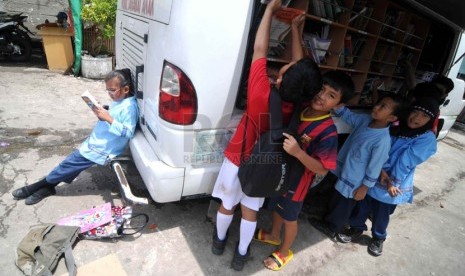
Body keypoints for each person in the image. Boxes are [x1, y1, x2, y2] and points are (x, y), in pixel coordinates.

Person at [210, 0, 322, 271]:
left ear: (282, 78)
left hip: (238, 157)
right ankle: (241, 253)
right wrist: (295, 30)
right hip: (267, 167)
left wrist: (270, 11)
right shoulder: (299, 105)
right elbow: (298, 67)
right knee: (250, 212)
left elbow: (259, 49)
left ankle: (219, 241)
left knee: (227, 205)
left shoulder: (261, 90)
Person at [253, 70, 354, 271]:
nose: (322, 96)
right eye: (322, 88)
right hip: (280, 175)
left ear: (339, 105)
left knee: (290, 217)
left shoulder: (327, 132)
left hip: (296, 184)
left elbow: (323, 169)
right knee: (276, 206)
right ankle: (274, 235)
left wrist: (298, 152)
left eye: (331, 95)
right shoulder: (303, 108)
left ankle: (285, 251)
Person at [12, 69, 139, 205]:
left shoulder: (129, 108)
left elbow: (128, 132)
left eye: (112, 90)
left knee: (67, 165)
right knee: (72, 166)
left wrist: (108, 118)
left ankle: (36, 186)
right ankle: (48, 188)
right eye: (107, 90)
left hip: (102, 149)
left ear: (125, 89)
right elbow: (115, 117)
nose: (110, 94)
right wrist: (103, 111)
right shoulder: (121, 101)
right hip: (96, 142)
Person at [340, 97, 439, 256]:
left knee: (382, 211)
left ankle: (378, 237)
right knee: (362, 204)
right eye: (415, 111)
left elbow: (405, 162)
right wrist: (379, 171)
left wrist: (392, 183)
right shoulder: (395, 126)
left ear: (431, 120)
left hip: (393, 181)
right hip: (375, 174)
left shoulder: (426, 138)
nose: (417, 118)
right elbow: (377, 151)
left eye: (424, 116)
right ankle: (356, 228)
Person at [310, 94, 405, 242]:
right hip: (345, 170)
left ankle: (332, 227)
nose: (376, 107)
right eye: (378, 103)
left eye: (383, 107)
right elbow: (350, 117)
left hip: (355, 180)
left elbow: (375, 168)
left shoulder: (382, 140)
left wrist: (365, 187)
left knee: (343, 204)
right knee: (336, 198)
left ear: (392, 118)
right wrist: (338, 107)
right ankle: (328, 219)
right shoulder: (366, 121)